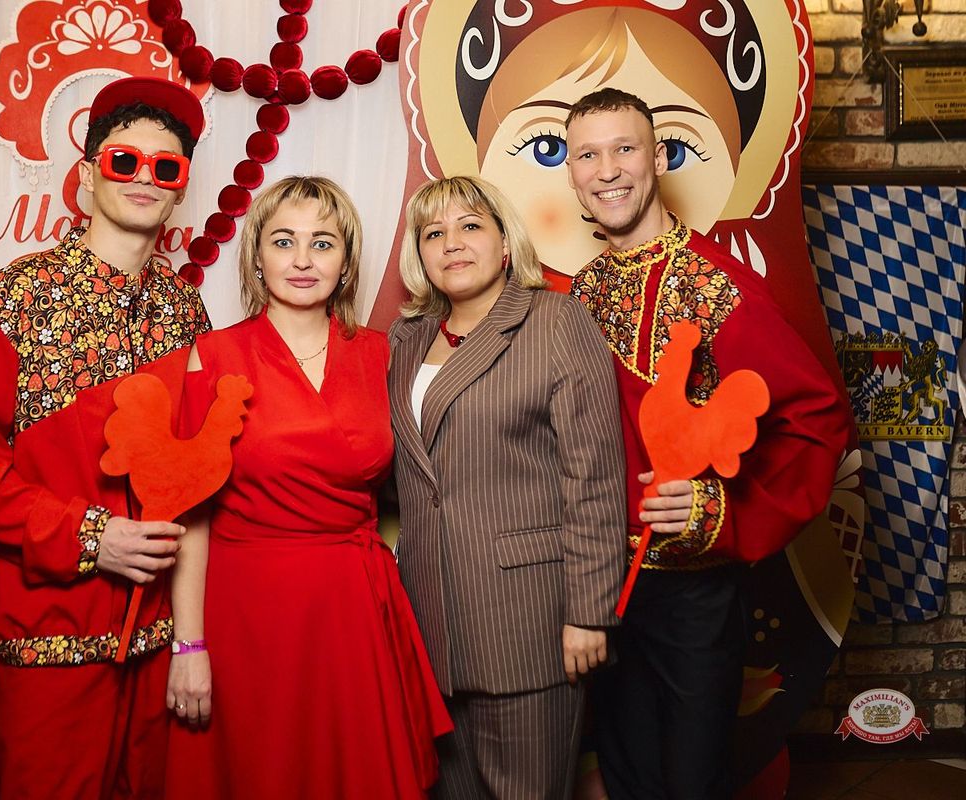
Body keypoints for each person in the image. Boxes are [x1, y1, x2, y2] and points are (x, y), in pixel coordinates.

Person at [0, 76, 210, 799]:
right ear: (86, 175)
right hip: (50, 646)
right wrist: (87, 535)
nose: (144, 178)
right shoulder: (16, 297)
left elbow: (198, 479)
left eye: (165, 167)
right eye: (124, 160)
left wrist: (192, 638)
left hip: (159, 653)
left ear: (180, 189)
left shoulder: (186, 313)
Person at [563, 88, 852, 800]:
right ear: (570, 170)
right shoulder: (583, 292)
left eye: (625, 149)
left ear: (659, 157)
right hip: (601, 588)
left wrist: (718, 509)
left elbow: (817, 418)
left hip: (690, 592)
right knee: (625, 775)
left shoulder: (716, 287)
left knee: (693, 781)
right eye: (587, 155)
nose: (607, 170)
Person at [163, 176, 452, 799]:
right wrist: (189, 644)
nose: (302, 260)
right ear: (256, 256)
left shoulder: (382, 355)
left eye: (322, 243)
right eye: (283, 241)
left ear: (346, 262)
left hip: (352, 607)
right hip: (248, 612)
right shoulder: (212, 356)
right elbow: (190, 515)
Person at [389, 174, 627, 798]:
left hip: (525, 620)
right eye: (433, 233)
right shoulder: (404, 341)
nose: (452, 243)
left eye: (471, 225)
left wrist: (589, 613)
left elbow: (595, 478)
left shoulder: (555, 321)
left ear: (504, 241)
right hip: (429, 620)